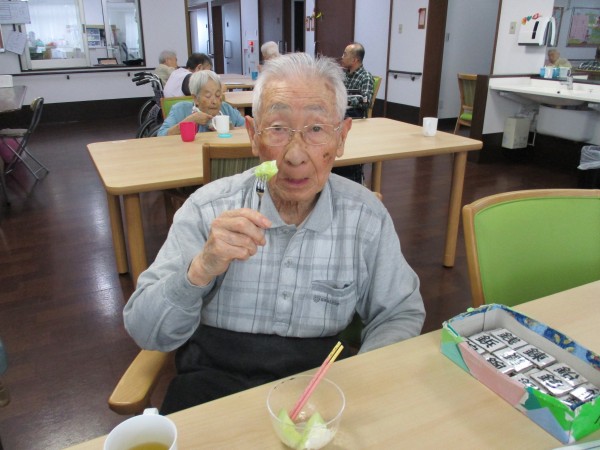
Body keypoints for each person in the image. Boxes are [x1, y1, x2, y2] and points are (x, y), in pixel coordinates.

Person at [124, 52, 425, 414]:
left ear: (342, 138)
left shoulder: (365, 217)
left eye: (316, 129)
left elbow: (399, 312)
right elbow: (145, 330)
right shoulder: (207, 209)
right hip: (213, 388)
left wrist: (361, 380)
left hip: (319, 390)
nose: (296, 156)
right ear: (253, 136)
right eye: (279, 129)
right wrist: (199, 270)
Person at [157, 70, 245, 136]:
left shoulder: (226, 109)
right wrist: (190, 121)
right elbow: (161, 135)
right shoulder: (180, 110)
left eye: (218, 95)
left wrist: (232, 129)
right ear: (195, 98)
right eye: (208, 96)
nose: (214, 101)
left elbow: (248, 128)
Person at [335, 42, 375, 183]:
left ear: (355, 60)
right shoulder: (343, 75)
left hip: (354, 114)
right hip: (341, 111)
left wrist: (344, 99)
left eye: (345, 54)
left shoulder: (365, 77)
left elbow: (366, 101)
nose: (342, 57)